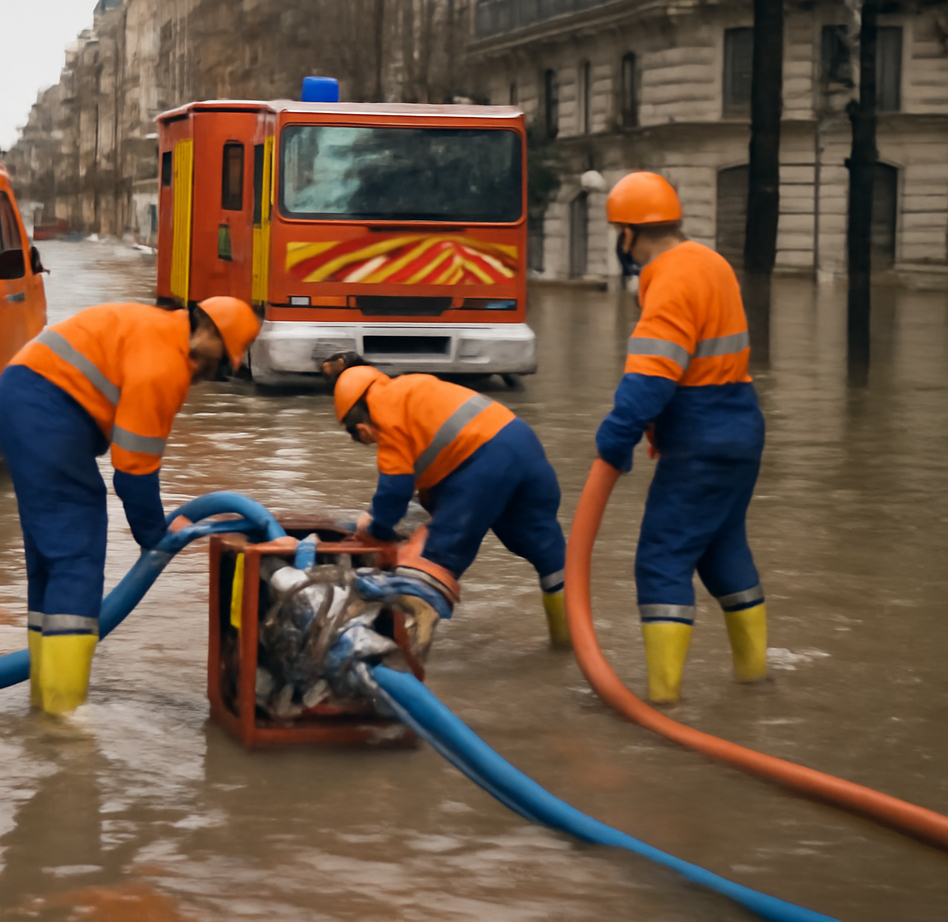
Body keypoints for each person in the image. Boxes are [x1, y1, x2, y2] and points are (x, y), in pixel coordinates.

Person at [0, 298, 260, 715]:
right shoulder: (165, 362)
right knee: (75, 555)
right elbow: (134, 469)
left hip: (22, 396)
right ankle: (62, 716)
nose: (218, 372)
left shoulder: (156, 332)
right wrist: (155, 537)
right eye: (223, 360)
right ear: (207, 330)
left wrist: (156, 531)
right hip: (45, 406)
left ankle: (45, 702)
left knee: (50, 557)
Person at [595, 171, 766, 705]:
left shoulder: (668, 277)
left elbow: (652, 375)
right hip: (741, 429)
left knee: (662, 558)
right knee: (722, 551)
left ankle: (661, 703)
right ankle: (754, 682)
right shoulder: (711, 262)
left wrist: (616, 436)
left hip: (701, 438)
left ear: (628, 234)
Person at [325, 354, 569, 648]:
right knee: (545, 549)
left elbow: (395, 490)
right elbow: (435, 468)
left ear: (363, 431)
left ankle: (411, 640)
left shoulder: (384, 418)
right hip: (522, 442)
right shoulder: (411, 385)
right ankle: (567, 643)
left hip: (483, 461)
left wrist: (375, 527)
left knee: (437, 556)